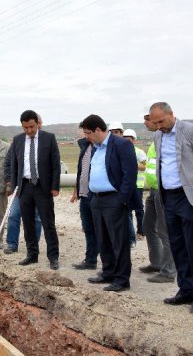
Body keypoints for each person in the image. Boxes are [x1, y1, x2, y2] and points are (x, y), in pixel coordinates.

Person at [150, 101, 193, 314]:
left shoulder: (192, 131)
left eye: (161, 121)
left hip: (189, 198)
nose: (158, 126)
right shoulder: (158, 135)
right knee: (177, 246)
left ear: (171, 114)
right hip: (169, 197)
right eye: (155, 122)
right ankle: (185, 290)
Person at [81, 115, 137, 292]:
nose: (86, 137)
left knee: (118, 240)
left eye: (88, 133)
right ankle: (108, 272)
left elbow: (130, 174)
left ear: (98, 130)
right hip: (97, 200)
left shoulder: (121, 145)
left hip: (114, 199)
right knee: (103, 239)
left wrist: (122, 199)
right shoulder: (96, 148)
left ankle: (122, 279)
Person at [6, 110, 61, 270]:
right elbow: (13, 164)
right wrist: (13, 185)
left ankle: (53, 257)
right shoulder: (17, 140)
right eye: (25, 128)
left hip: (43, 187)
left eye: (31, 127)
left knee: (48, 223)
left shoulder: (49, 138)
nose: (29, 131)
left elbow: (55, 164)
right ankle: (32, 254)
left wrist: (55, 186)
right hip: (25, 187)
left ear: (37, 123)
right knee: (28, 222)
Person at [139, 104, 176, 283]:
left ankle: (169, 271)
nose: (146, 122)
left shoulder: (169, 138)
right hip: (153, 191)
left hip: (163, 192)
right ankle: (157, 262)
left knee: (164, 231)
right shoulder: (157, 139)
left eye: (149, 119)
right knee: (147, 226)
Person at [4, 115, 43, 254]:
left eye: (36, 124)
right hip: (21, 186)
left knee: (36, 217)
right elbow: (8, 162)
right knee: (14, 214)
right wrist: (9, 182)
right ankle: (11, 244)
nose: (31, 129)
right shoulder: (18, 141)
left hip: (39, 187)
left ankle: (33, 247)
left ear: (39, 124)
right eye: (27, 126)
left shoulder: (46, 140)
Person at [70, 134, 98, 270]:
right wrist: (76, 190)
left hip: (97, 196)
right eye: (84, 132)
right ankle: (90, 260)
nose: (85, 135)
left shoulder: (102, 148)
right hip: (84, 195)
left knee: (101, 230)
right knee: (88, 229)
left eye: (88, 132)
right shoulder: (85, 147)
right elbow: (81, 171)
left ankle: (110, 264)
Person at [123, 129, 146, 247]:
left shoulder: (139, 152)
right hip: (126, 185)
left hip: (137, 185)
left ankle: (141, 231)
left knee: (138, 210)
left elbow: (144, 166)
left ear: (133, 140)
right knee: (127, 210)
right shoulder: (121, 151)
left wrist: (132, 165)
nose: (127, 141)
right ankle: (129, 234)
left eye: (129, 139)